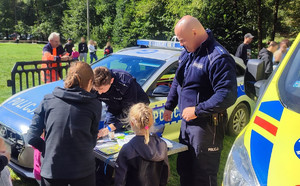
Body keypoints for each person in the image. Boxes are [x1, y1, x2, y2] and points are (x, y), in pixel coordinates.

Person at [163, 15, 237, 186]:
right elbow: (178, 80)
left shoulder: (218, 57)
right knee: (185, 169)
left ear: (195, 32)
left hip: (207, 126)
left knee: (203, 174)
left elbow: (227, 94)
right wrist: (169, 105)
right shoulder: (188, 52)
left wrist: (197, 110)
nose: (180, 44)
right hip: (187, 123)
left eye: (182, 40)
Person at [26, 61, 102, 186]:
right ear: (89, 83)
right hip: (83, 171)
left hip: (52, 170)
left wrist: (48, 149)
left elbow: (31, 137)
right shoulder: (94, 105)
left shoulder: (48, 100)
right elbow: (92, 139)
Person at [93, 66, 150, 186]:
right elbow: (93, 106)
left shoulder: (126, 82)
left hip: (135, 111)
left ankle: (133, 179)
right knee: (106, 146)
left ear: (111, 81)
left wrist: (108, 128)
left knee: (133, 147)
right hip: (113, 109)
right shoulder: (95, 83)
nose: (99, 92)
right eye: (96, 89)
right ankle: (103, 181)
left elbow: (128, 114)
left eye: (102, 89)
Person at [115, 103, 169, 186]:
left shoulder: (127, 149)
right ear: (151, 122)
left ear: (132, 123)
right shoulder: (162, 145)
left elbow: (120, 180)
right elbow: (165, 174)